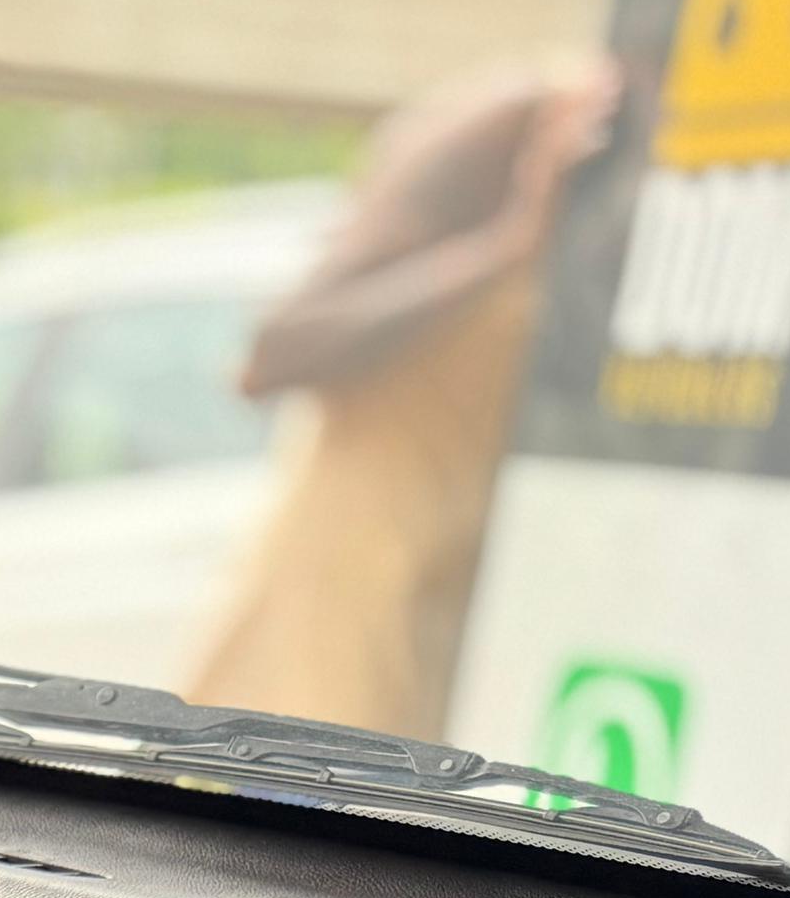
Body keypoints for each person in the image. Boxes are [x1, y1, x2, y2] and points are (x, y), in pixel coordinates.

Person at [188, 55, 621, 739]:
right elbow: (274, 351)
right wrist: (505, 247)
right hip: (344, 609)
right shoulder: (518, 122)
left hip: (450, 613)